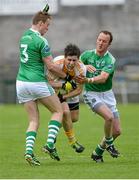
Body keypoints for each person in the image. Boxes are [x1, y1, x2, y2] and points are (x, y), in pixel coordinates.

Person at [16, 5, 69, 166]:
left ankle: (29, 152)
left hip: (21, 83)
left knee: (33, 120)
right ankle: (50, 144)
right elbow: (51, 66)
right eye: (47, 25)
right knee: (58, 111)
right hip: (36, 82)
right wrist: (68, 77)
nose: (47, 28)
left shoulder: (23, 36)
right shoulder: (41, 41)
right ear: (40, 23)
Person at [78, 30, 121, 162]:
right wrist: (83, 66)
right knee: (109, 117)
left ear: (109, 44)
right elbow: (74, 65)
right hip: (91, 93)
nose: (100, 43)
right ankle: (110, 144)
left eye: (104, 41)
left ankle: (97, 152)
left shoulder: (110, 59)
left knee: (117, 131)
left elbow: (103, 78)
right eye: (99, 40)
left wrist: (88, 80)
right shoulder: (87, 55)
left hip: (107, 94)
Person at [47, 44, 86, 153]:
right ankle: (72, 142)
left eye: (74, 60)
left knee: (73, 118)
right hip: (56, 89)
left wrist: (64, 96)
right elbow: (48, 83)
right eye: (69, 60)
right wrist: (63, 87)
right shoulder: (57, 64)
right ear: (65, 57)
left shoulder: (81, 69)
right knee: (65, 112)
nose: (71, 63)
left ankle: (53, 129)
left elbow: (78, 90)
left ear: (78, 60)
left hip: (69, 93)